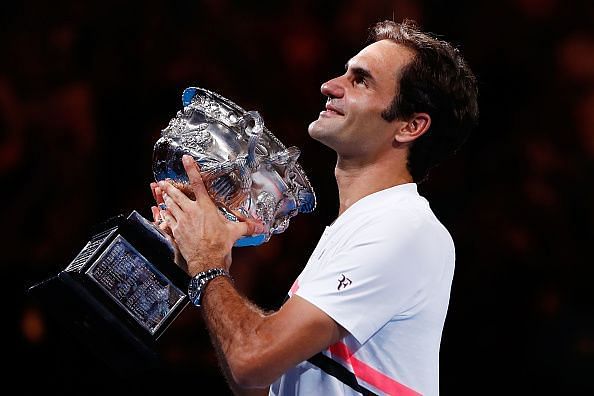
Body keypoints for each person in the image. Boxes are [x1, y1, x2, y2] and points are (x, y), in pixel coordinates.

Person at [151, 19, 478, 396]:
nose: (330, 85)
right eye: (345, 72)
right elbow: (259, 383)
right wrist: (203, 262)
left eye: (361, 80)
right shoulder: (358, 227)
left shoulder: (403, 227)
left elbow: (251, 360)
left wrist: (208, 263)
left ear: (410, 126)